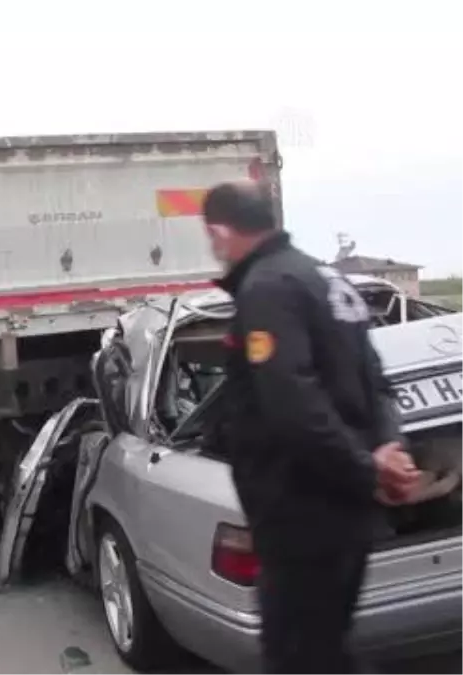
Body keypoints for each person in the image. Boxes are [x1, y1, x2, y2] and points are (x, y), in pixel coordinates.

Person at [201, 180, 422, 675]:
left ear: (219, 232)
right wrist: (389, 449)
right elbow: (377, 382)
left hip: (302, 512)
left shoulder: (266, 289)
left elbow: (292, 404)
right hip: (342, 513)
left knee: (298, 657)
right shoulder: (324, 279)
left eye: (211, 238)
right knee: (325, 651)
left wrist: (369, 469)